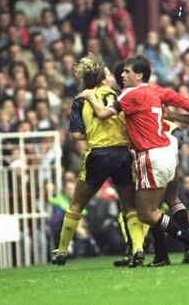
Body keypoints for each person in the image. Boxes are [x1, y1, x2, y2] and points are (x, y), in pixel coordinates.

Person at [80, 55, 189, 265]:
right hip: (169, 149)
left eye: (127, 72)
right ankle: (166, 253)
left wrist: (90, 96)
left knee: (146, 213)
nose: (122, 75)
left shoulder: (129, 95)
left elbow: (103, 114)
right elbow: (188, 103)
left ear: (139, 75)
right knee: (168, 202)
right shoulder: (156, 91)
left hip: (151, 154)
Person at [51, 54, 146, 267]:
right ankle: (138, 247)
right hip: (121, 153)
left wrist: (94, 133)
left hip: (98, 154)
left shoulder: (80, 99)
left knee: (76, 203)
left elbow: (76, 135)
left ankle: (63, 251)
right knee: (128, 204)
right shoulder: (121, 96)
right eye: (110, 75)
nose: (113, 77)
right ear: (103, 79)